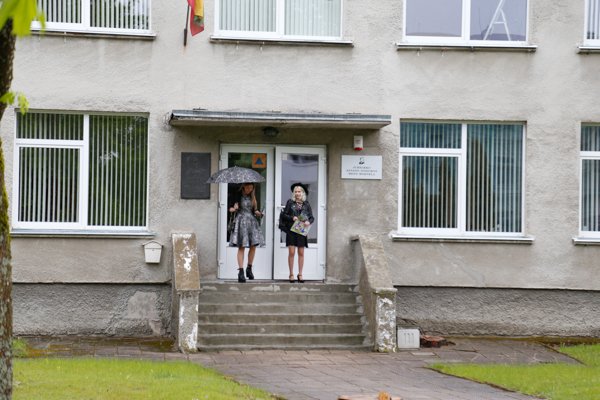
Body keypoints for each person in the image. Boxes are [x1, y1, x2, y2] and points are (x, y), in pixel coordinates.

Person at [229, 182, 264, 282]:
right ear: (243, 186)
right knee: (242, 246)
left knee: (253, 246)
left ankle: (249, 268)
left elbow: (255, 210)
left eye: (251, 188)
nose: (249, 189)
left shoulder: (253, 197)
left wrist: (258, 213)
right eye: (248, 187)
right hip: (241, 222)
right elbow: (230, 209)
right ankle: (241, 271)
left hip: (252, 222)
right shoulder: (237, 195)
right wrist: (234, 209)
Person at [280, 182, 314, 283]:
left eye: (299, 191)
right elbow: (284, 215)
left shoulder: (306, 204)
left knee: (301, 253)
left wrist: (308, 222)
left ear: (302, 193)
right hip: (292, 230)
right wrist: (292, 217)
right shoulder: (290, 202)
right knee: (291, 252)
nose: (297, 193)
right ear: (294, 193)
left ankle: (300, 274)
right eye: (296, 192)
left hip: (301, 231)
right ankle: (291, 274)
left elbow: (311, 217)